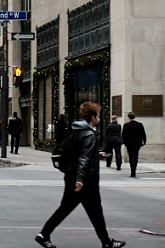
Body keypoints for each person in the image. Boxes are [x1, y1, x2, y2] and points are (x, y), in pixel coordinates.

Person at [35, 101, 126, 248]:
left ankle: (44, 234)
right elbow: (83, 158)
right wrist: (80, 178)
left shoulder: (76, 130)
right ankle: (107, 243)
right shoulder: (89, 134)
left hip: (72, 177)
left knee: (67, 209)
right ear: (93, 117)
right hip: (85, 181)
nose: (99, 119)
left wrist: (96, 154)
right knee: (95, 212)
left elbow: (78, 152)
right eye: (98, 116)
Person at [121, 112, 146, 178]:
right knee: (135, 155)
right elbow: (143, 134)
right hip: (137, 142)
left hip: (129, 143)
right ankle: (134, 169)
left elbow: (123, 135)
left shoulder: (126, 125)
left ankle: (132, 171)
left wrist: (124, 142)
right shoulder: (140, 125)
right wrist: (144, 141)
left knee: (131, 156)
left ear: (128, 117)